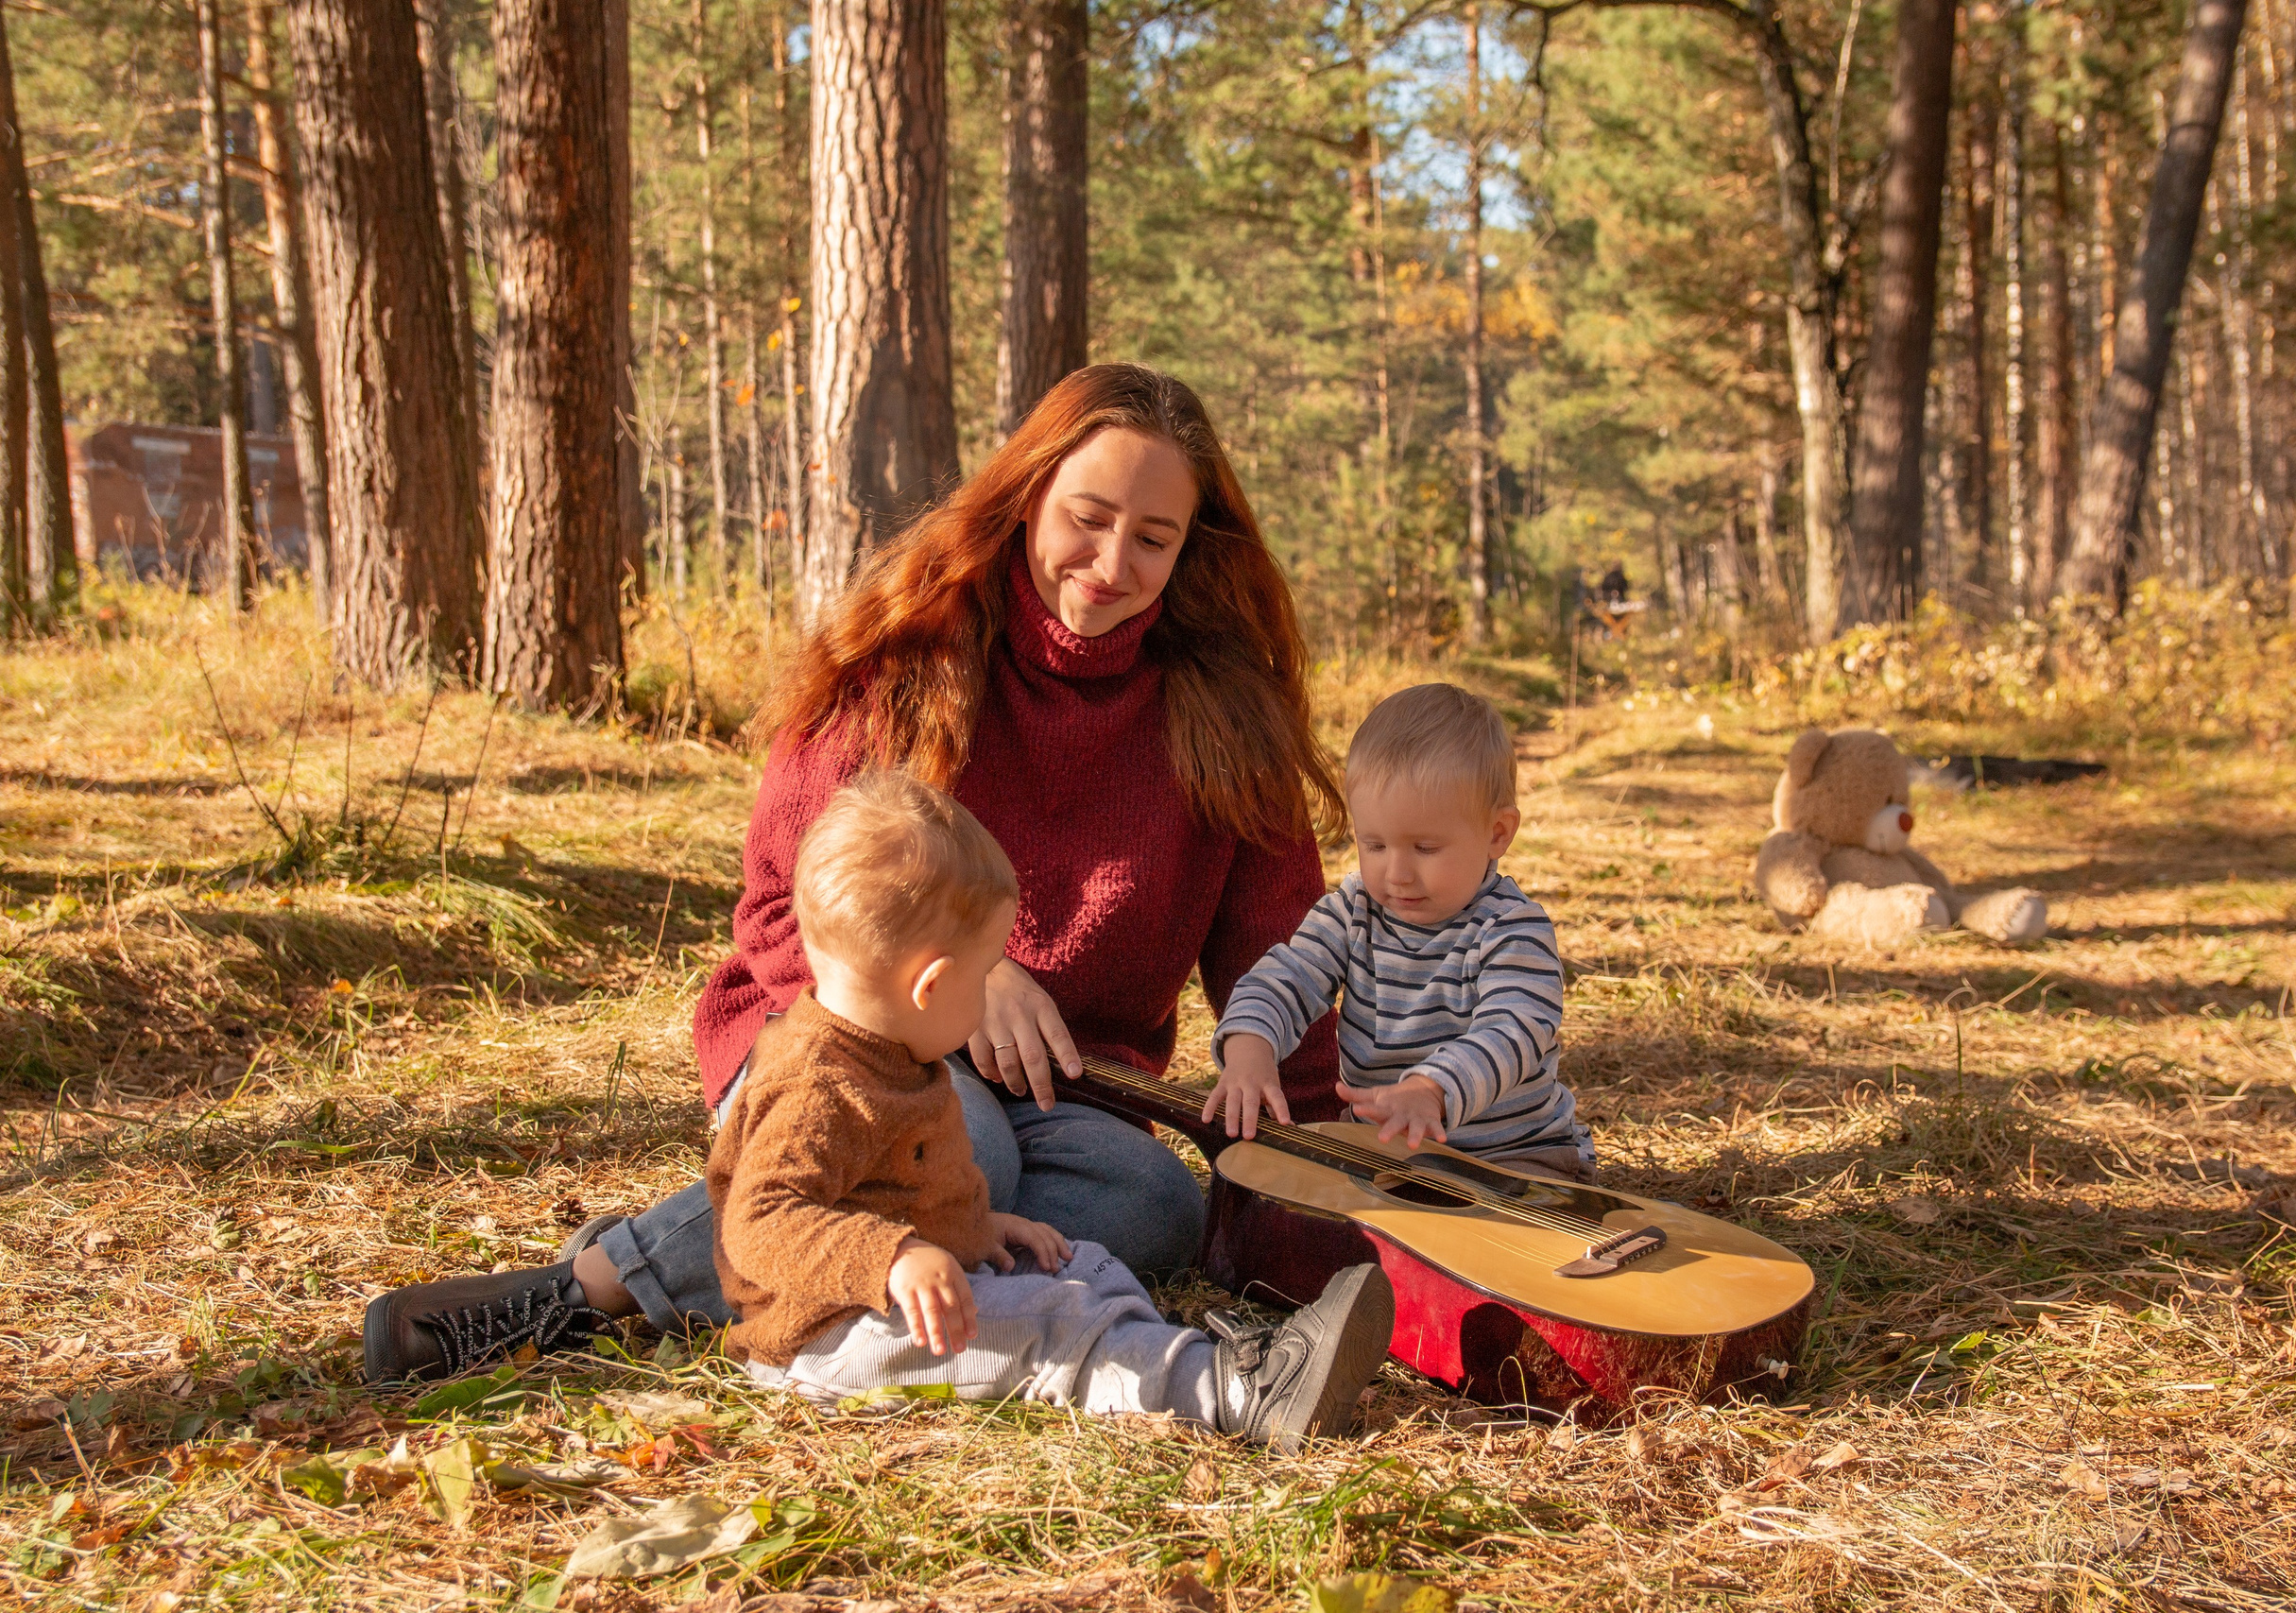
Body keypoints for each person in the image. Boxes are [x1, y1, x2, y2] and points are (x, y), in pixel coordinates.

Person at [362, 364, 1347, 1384]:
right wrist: (973, 978)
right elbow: (782, 910)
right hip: (845, 1041)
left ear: (1190, 552)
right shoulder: (908, 657)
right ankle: (592, 1290)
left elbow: (1286, 969)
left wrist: (1326, 1192)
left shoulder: (1224, 722)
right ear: (1025, 499)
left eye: (1153, 537)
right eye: (1086, 518)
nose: (1109, 562)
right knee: (943, 1141)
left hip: (1066, 1099)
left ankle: (819, 1261)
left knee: (1152, 1204)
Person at [715, 769, 1395, 1451]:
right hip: (831, 1335)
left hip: (892, 1302)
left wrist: (977, 1227)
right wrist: (894, 1257)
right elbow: (759, 1221)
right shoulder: (816, 1083)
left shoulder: (896, 1053)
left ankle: (1163, 1344)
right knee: (1052, 1319)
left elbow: (896, 1186)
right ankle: (1235, 1391)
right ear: (932, 985)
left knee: (1081, 1262)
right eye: (985, 974)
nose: (992, 994)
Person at [1199, 682, 1593, 1182]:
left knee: (1495, 1241)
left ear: (1497, 833)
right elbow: (1284, 977)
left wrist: (1433, 1087)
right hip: (1380, 1150)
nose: (1398, 874)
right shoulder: (1351, 912)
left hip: (1509, 1157)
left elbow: (1513, 1030)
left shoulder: (1511, 929)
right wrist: (1250, 1047)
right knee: (1285, 1216)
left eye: (1425, 848)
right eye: (1375, 844)